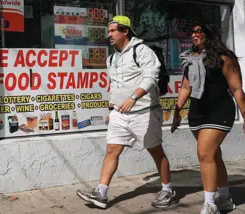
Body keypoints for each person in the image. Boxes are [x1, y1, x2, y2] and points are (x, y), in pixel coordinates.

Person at [76, 16, 178, 209]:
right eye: (109, 31)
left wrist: (133, 97)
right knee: (111, 151)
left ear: (125, 31)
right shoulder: (111, 58)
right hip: (120, 114)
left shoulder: (142, 51)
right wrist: (112, 105)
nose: (109, 35)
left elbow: (151, 77)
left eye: (113, 31)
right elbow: (116, 84)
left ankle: (167, 190)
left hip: (145, 111)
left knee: (156, 151)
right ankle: (101, 193)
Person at [171, 24, 245, 214]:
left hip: (219, 111)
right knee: (213, 156)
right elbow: (186, 88)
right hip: (198, 112)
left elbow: (236, 89)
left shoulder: (224, 58)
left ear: (209, 35)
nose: (194, 35)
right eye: (192, 32)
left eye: (198, 32)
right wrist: (177, 111)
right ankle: (225, 199)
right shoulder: (191, 60)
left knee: (204, 154)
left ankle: (210, 204)